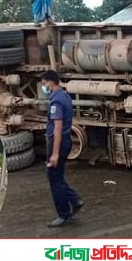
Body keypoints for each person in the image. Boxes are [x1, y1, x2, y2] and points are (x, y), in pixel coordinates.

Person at [40, 70, 83, 227]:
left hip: (57, 142)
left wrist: (55, 153)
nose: (44, 87)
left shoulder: (56, 102)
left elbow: (57, 128)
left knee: (53, 179)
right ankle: (74, 199)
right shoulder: (64, 96)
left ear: (51, 83)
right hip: (66, 140)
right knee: (57, 176)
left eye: (44, 84)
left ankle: (64, 215)